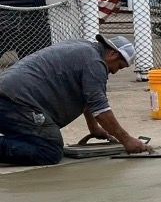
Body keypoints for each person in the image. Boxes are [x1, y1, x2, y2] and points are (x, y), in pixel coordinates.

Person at [0, 35, 152, 166]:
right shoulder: (95, 63)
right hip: (15, 101)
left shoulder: (84, 49)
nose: (115, 71)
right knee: (49, 151)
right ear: (113, 54)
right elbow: (101, 109)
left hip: (10, 96)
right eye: (119, 66)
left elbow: (89, 97)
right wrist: (127, 140)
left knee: (37, 139)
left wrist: (94, 128)